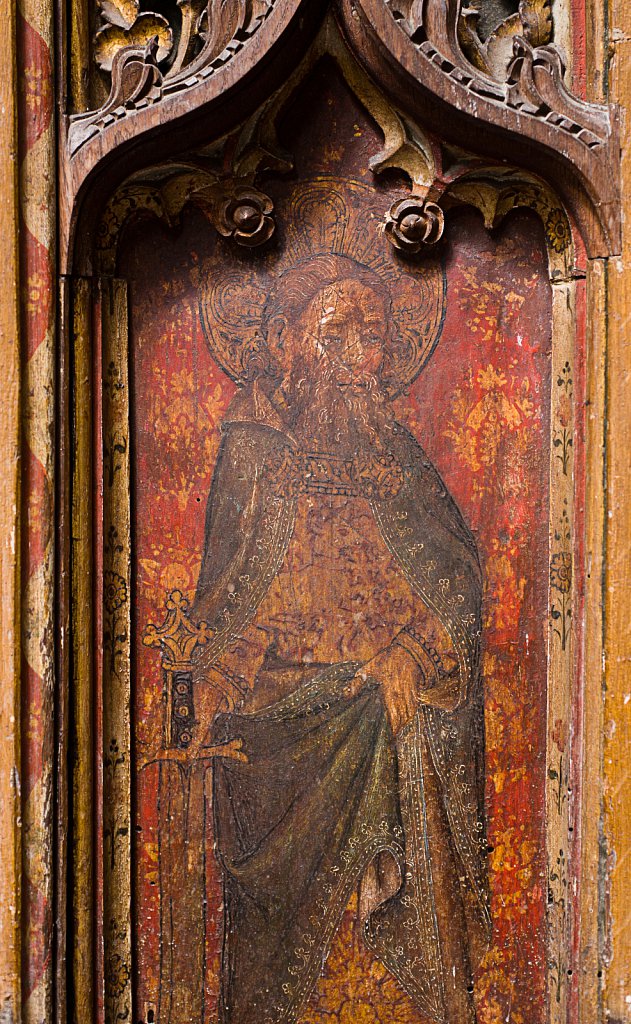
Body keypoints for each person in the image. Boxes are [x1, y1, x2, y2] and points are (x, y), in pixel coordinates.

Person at [186, 252, 490, 1024]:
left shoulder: (398, 463)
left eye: (374, 336)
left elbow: (456, 585)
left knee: (404, 745)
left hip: (380, 722)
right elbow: (229, 600)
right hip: (277, 736)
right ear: (288, 341)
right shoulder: (253, 454)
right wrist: (218, 675)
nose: (359, 358)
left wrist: (411, 652)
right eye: (336, 334)